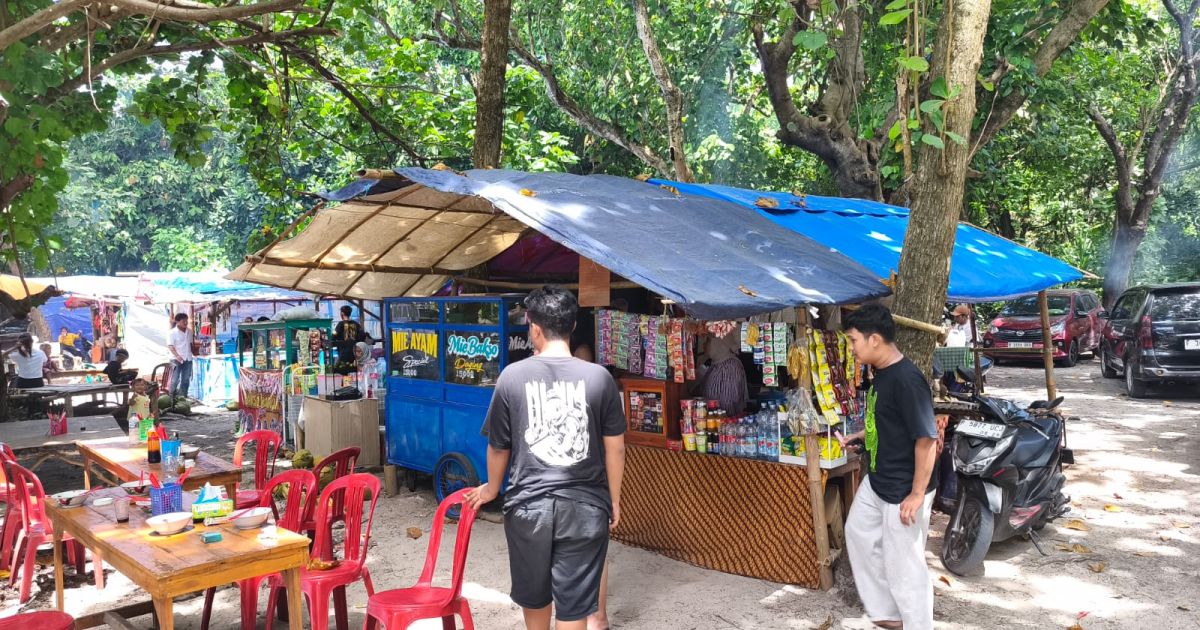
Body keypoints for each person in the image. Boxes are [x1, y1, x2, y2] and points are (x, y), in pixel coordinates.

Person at [465, 286, 626, 630]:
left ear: (534, 327)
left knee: (536, 600)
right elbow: (616, 447)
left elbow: (498, 446)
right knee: (573, 609)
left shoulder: (511, 377)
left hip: (528, 509)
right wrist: (613, 500)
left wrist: (492, 488)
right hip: (586, 508)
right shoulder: (599, 378)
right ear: (571, 326)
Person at [838, 304, 939, 630]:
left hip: (904, 486)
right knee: (857, 532)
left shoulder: (908, 380)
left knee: (904, 566)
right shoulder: (881, 375)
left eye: (854, 341)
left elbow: (927, 440)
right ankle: (888, 615)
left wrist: (916, 494)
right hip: (879, 478)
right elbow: (888, 422)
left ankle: (917, 625)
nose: (852, 349)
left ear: (875, 340)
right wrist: (860, 435)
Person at [700, 331, 748, 415]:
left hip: (724, 423)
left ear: (719, 344)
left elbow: (728, 403)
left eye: (708, 340)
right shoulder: (716, 364)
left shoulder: (730, 366)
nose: (705, 344)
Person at [167, 313, 194, 399]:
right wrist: (177, 356)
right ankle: (171, 397)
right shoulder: (172, 333)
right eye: (183, 321)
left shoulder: (189, 332)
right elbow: (170, 346)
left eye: (186, 321)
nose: (186, 323)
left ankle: (183, 397)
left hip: (188, 358)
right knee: (175, 380)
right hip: (176, 359)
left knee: (186, 379)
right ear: (177, 322)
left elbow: (191, 344)